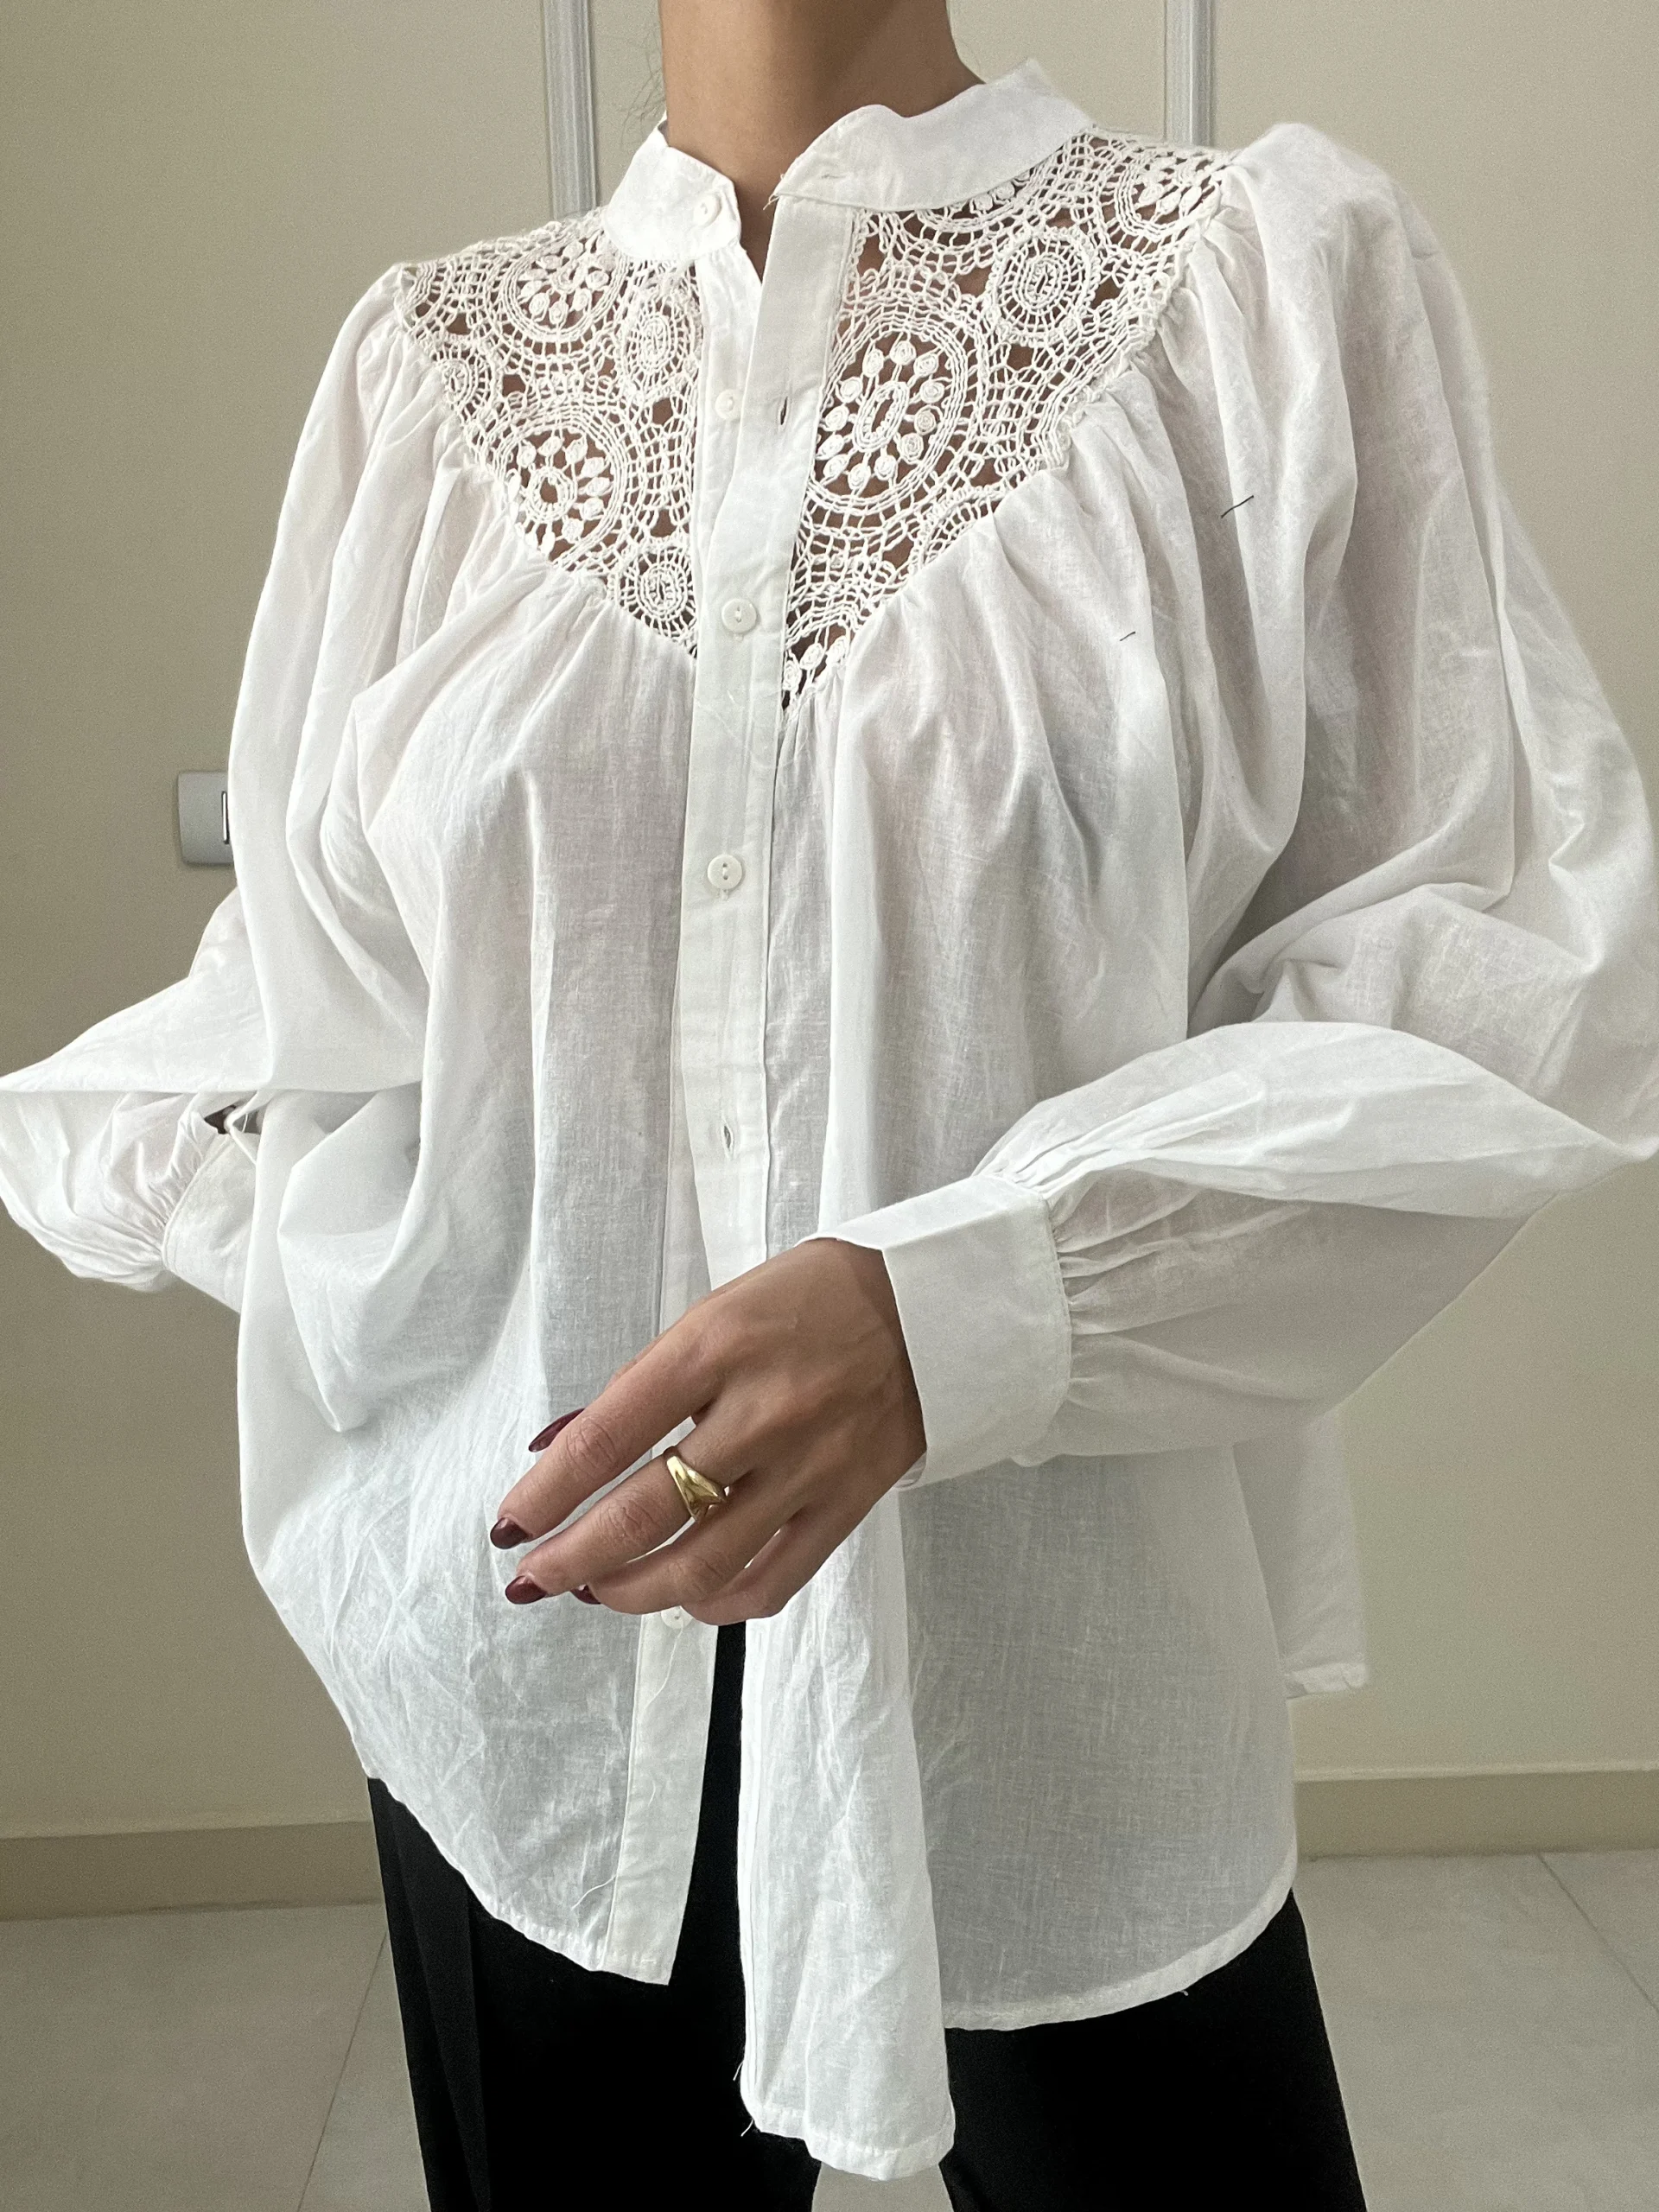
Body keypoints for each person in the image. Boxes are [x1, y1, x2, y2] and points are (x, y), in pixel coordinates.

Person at [3, 2, 1657, 2203]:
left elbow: (1495, 970)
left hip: (1049, 1654)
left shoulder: (1256, 290)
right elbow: (328, 999)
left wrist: (950, 1312)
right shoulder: (430, 376)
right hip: (526, 1648)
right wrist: (236, 1213)